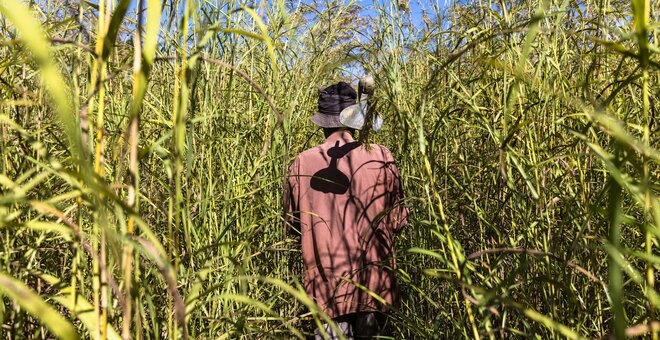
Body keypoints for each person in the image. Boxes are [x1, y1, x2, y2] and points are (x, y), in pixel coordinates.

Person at [285, 81, 408, 339]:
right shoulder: (382, 157)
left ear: (321, 124)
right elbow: (398, 220)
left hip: (326, 292)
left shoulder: (301, 163)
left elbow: (293, 226)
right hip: (374, 288)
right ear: (355, 120)